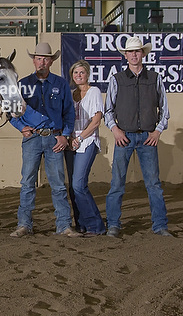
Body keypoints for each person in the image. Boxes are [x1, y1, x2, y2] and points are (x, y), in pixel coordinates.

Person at [9, 42, 80, 238]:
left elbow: (69, 112)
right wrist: (21, 127)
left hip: (54, 138)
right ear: (34, 61)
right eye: (39, 58)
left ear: (51, 61)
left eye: (45, 59)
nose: (42, 62)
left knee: (58, 184)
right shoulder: (22, 84)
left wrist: (65, 135)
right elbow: (10, 112)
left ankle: (64, 225)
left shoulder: (61, 84)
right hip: (32, 138)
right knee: (27, 182)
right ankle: (24, 224)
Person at [104, 36, 172, 238]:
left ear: (143, 54)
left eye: (137, 51)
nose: (134, 55)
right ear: (125, 55)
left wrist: (158, 131)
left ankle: (160, 225)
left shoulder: (155, 78)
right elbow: (108, 110)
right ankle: (113, 224)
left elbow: (164, 109)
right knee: (117, 184)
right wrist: (115, 130)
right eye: (130, 52)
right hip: (123, 137)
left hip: (147, 137)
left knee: (154, 185)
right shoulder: (117, 79)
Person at [64, 60, 106, 236]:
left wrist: (80, 138)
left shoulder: (94, 91)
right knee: (73, 187)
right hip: (71, 142)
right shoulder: (70, 94)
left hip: (87, 140)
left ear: (87, 74)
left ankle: (95, 225)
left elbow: (96, 121)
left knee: (79, 184)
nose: (78, 75)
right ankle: (80, 224)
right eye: (75, 73)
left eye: (81, 72)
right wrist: (70, 138)